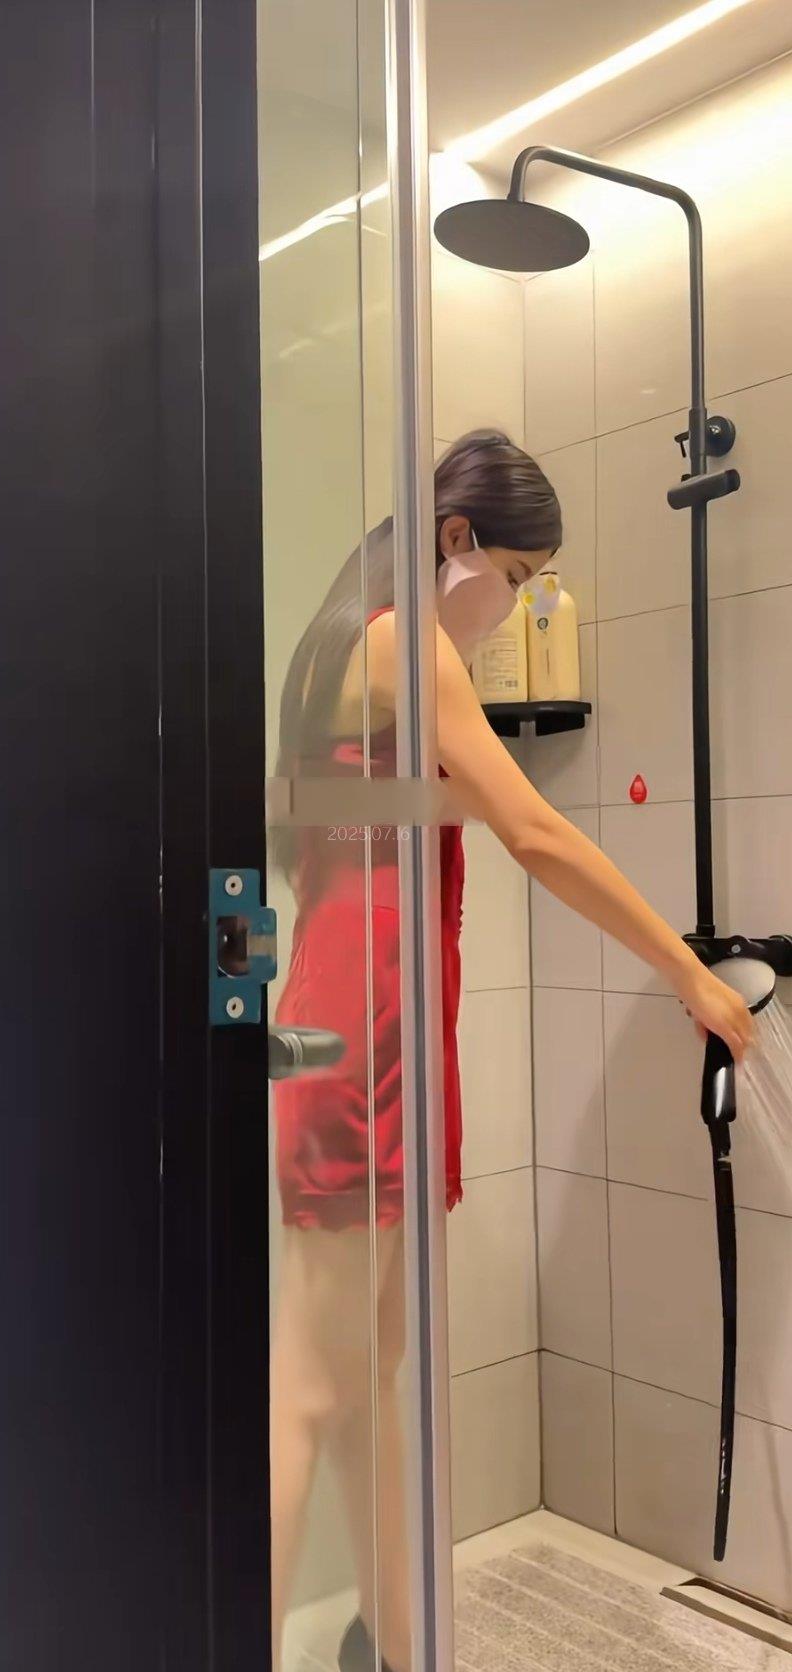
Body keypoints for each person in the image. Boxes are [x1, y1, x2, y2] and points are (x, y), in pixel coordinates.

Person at [269, 429, 751, 1672]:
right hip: (360, 1036)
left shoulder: (345, 638)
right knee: (312, 1385)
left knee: (372, 1371)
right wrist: (687, 969)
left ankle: (392, 1641)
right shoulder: (403, 642)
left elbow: (357, 825)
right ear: (457, 542)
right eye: (521, 578)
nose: (518, 609)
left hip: (370, 1020)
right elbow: (533, 832)